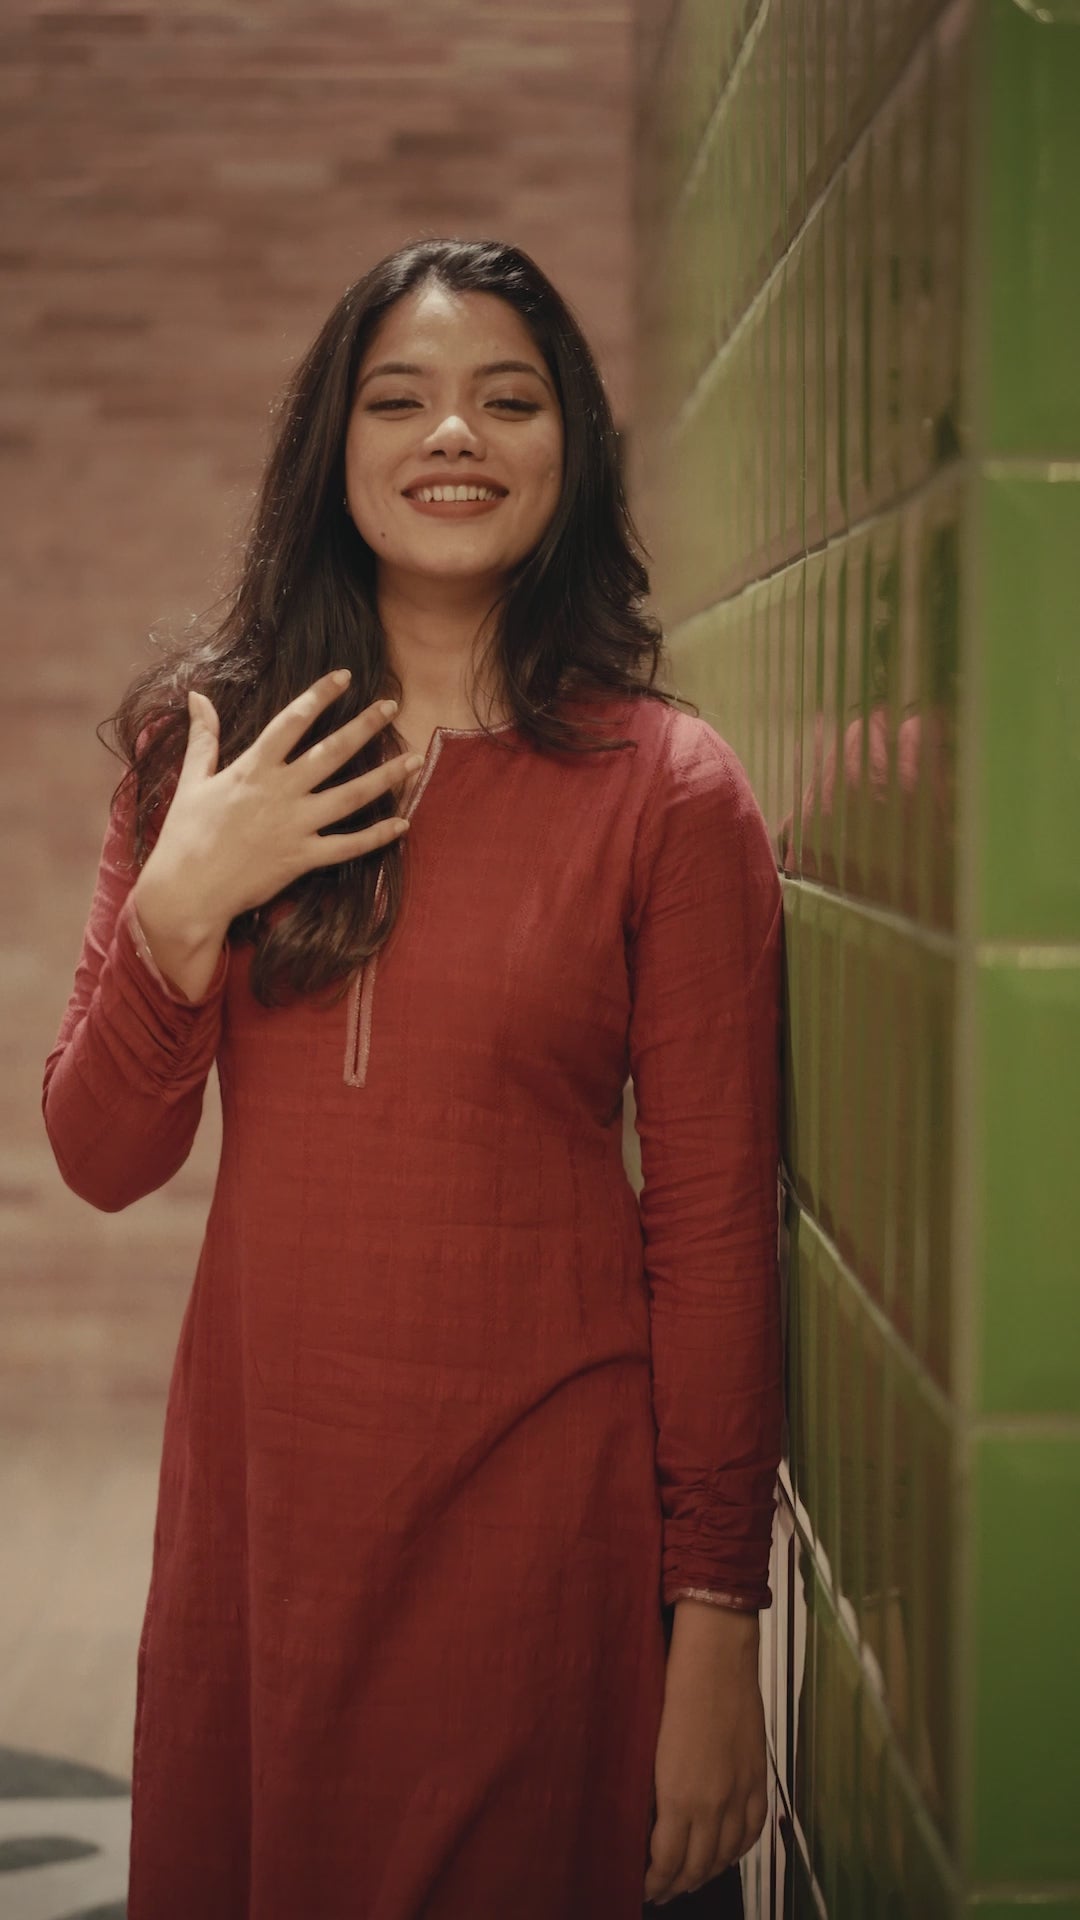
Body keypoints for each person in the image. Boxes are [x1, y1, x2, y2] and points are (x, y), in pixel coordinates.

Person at [41, 237, 784, 1919]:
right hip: (264, 1525)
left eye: (506, 400)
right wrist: (182, 901)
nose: (455, 434)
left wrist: (718, 1624)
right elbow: (98, 1157)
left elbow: (720, 1228)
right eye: (404, 401)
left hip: (541, 1541)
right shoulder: (211, 753)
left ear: (571, 449)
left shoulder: (665, 792)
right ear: (336, 445)